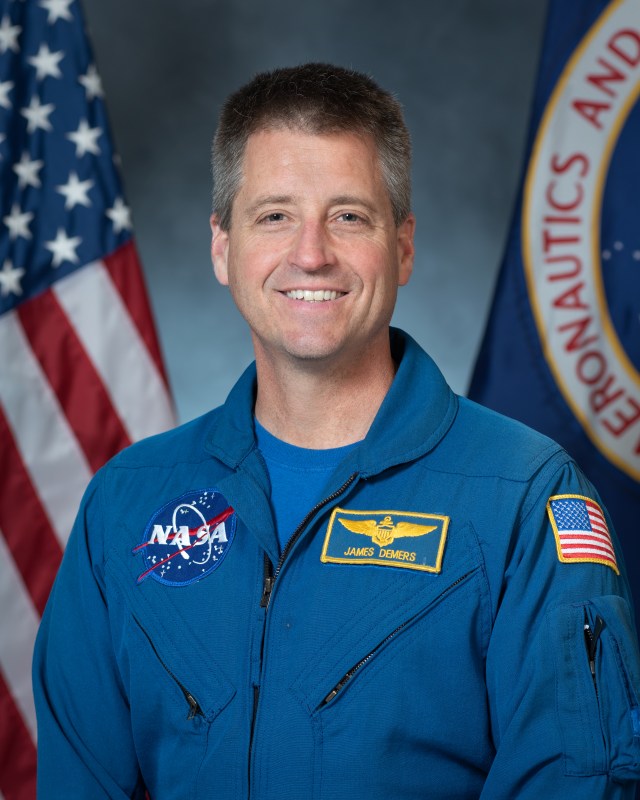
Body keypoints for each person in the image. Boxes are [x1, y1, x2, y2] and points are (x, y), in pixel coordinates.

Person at [33, 63, 640, 799]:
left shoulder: (523, 498)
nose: (311, 253)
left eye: (349, 215)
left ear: (404, 246)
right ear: (223, 249)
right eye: (275, 215)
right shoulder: (126, 505)